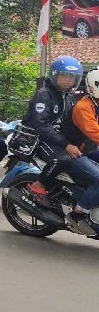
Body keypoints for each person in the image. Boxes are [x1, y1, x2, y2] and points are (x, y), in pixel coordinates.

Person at [21, 55, 95, 211]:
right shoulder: (44, 94)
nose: (68, 80)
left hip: (58, 139)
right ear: (55, 75)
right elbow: (41, 125)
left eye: (72, 77)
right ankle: (38, 185)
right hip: (40, 138)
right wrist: (67, 144)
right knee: (63, 159)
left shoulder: (69, 97)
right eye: (64, 76)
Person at [67, 67, 99, 233]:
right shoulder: (83, 107)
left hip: (90, 149)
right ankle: (78, 213)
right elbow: (94, 132)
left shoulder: (96, 104)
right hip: (75, 152)